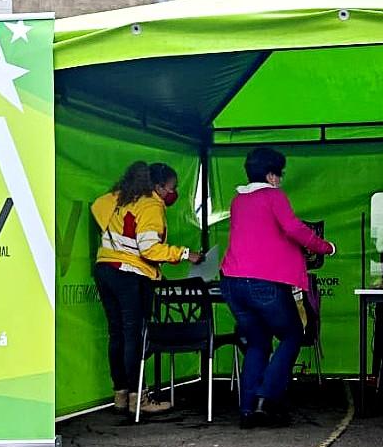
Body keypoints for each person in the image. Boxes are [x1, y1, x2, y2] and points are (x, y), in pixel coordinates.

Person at [220, 148, 336, 428]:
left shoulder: (238, 201)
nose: (281, 179)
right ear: (271, 175)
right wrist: (326, 247)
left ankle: (247, 411)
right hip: (264, 283)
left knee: (258, 343)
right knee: (293, 335)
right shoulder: (273, 196)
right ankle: (265, 399)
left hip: (232, 282)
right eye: (280, 173)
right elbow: (293, 229)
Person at [91, 162, 203, 416]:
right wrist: (185, 254)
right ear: (157, 186)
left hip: (105, 268)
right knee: (134, 336)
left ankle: (121, 395)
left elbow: (98, 205)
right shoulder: (151, 205)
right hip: (130, 274)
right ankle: (138, 398)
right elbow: (149, 249)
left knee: (116, 334)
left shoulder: (124, 199)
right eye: (170, 188)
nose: (172, 193)